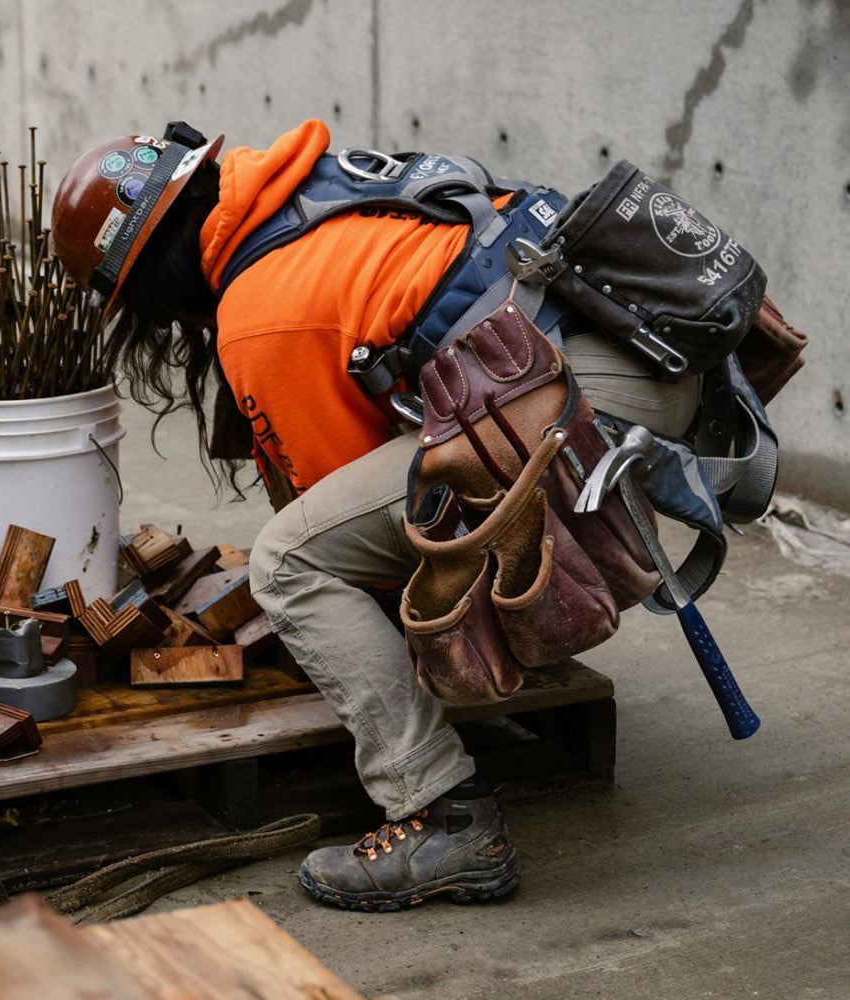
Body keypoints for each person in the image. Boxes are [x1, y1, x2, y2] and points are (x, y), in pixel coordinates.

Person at [51, 118, 695, 912]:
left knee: (290, 560)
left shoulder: (261, 308)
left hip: (578, 398)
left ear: (148, 278)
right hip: (645, 348)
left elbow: (343, 517)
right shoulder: (307, 185)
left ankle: (440, 814)